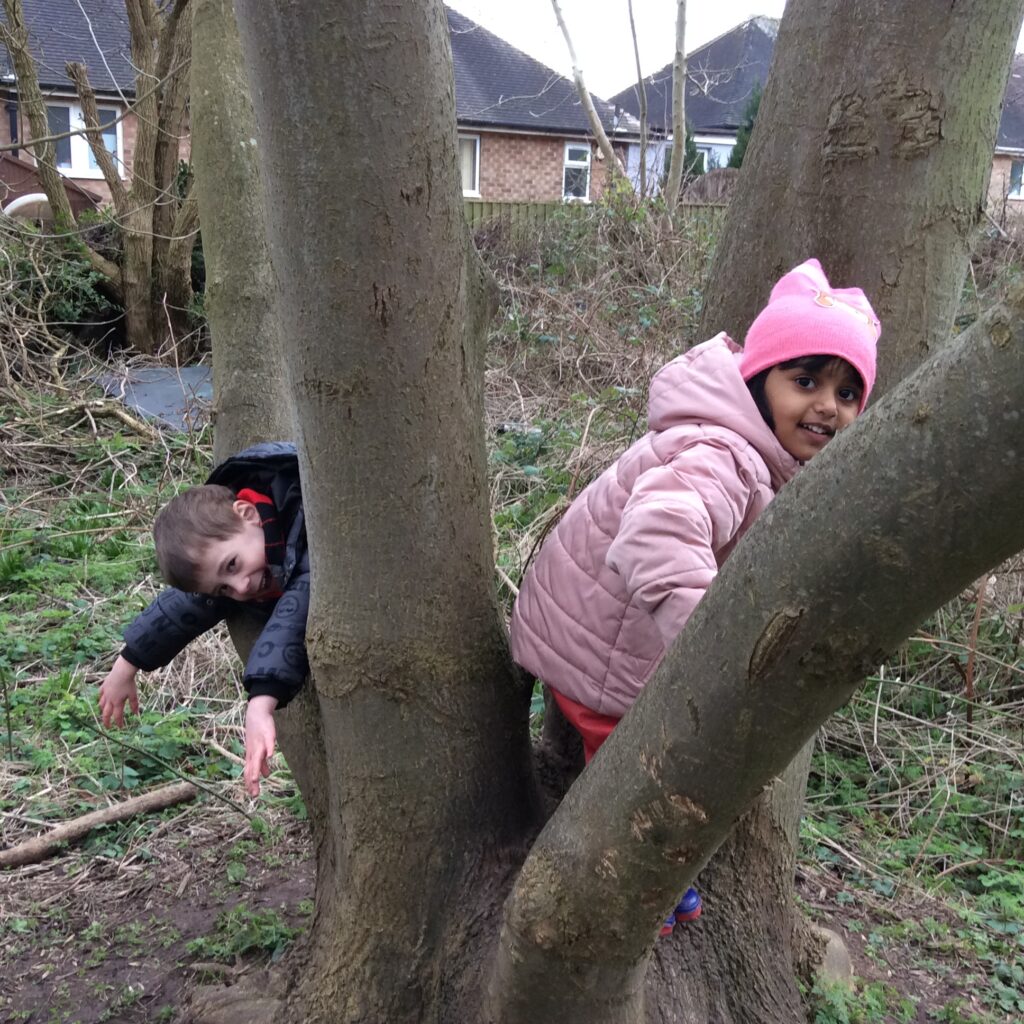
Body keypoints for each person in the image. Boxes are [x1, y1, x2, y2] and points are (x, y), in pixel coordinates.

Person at [509, 258, 880, 935]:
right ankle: (619, 884)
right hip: (600, 653)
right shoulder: (723, 452)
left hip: (596, 631)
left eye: (848, 393)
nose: (828, 405)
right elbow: (656, 539)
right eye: (805, 381)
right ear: (758, 379)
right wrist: (720, 653)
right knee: (651, 783)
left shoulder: (755, 453)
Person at [98, 441, 308, 798]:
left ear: (248, 513)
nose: (241, 587)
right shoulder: (246, 551)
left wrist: (261, 702)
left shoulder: (305, 520)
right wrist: (127, 664)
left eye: (232, 565)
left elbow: (299, 602)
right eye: (223, 589)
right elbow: (187, 605)